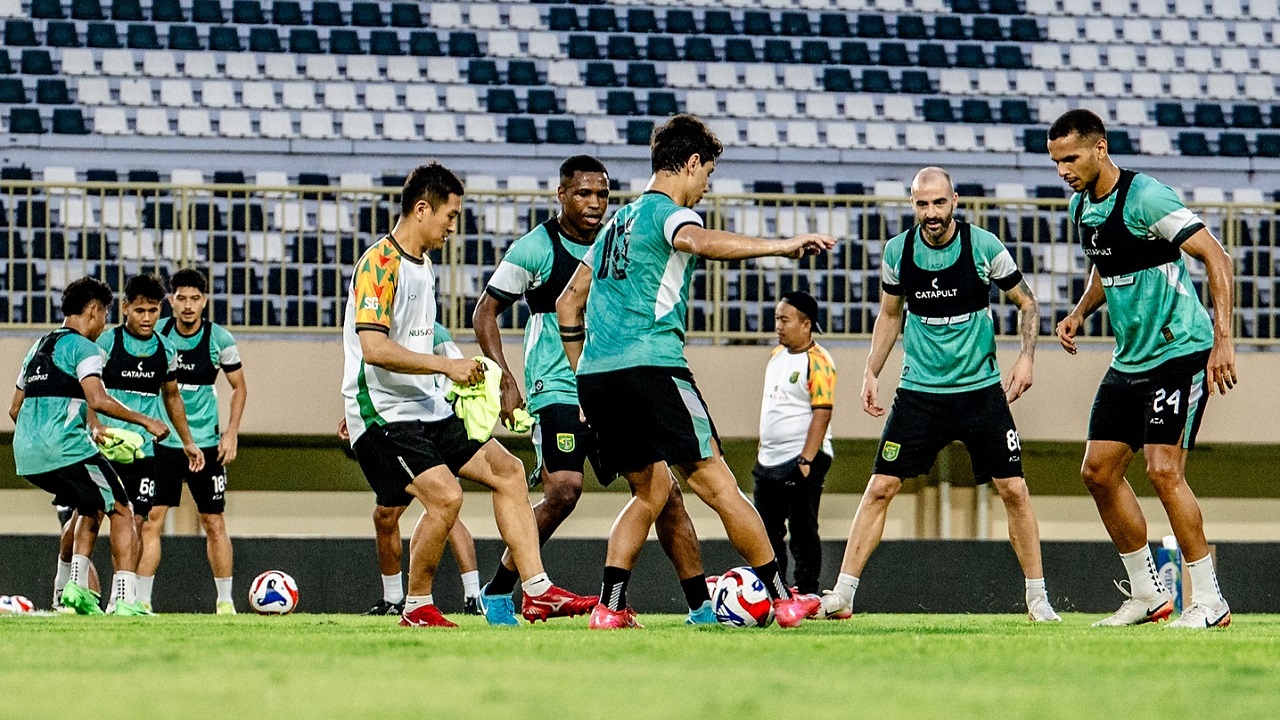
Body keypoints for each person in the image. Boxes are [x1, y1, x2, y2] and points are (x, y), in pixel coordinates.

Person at [556, 114, 835, 629]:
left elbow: (568, 304)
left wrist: (585, 376)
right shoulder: (666, 213)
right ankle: (780, 598)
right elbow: (700, 243)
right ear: (689, 164)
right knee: (719, 485)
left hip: (598, 378)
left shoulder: (615, 223)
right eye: (706, 173)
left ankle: (608, 608)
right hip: (653, 369)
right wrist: (783, 245)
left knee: (649, 493)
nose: (706, 186)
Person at [342, 162, 595, 628]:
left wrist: (471, 370)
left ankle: (537, 591)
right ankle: (417, 606)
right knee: (446, 497)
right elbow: (374, 348)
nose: (454, 226)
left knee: (509, 471)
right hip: (383, 415)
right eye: (450, 215)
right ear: (422, 209)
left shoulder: (422, 266)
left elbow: (423, 333)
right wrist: (447, 367)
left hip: (426, 407)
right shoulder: (379, 264)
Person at [473, 155, 715, 626]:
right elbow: (486, 311)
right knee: (564, 490)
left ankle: (700, 606)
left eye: (602, 194)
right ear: (561, 195)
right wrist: (503, 377)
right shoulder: (534, 248)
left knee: (665, 493)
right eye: (583, 193)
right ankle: (502, 589)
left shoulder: (614, 242)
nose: (595, 203)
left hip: (608, 384)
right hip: (557, 387)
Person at [819, 167, 1061, 623]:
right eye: (921, 204)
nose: (931, 213)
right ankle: (844, 594)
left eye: (938, 203)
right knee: (880, 488)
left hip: (980, 392)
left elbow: (1028, 302)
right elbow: (889, 315)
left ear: (955, 201)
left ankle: (1037, 600)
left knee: (1014, 490)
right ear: (913, 205)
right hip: (919, 394)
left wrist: (1027, 357)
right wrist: (871, 370)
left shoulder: (983, 246)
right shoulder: (898, 251)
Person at [1048, 109, 1236, 628]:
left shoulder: (1147, 197)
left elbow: (1216, 258)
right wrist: (1081, 311)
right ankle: (1147, 595)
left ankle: (1211, 601)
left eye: (1071, 157)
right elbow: (1106, 264)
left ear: (1100, 148)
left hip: (1180, 351)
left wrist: (1223, 340)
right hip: (1130, 359)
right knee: (1099, 472)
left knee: (1162, 470)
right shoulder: (1081, 206)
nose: (1063, 169)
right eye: (1056, 161)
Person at [9, 277, 170, 616]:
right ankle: (126, 600)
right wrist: (147, 421)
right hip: (64, 448)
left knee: (89, 507)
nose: (103, 324)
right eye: (105, 315)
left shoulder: (38, 346)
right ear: (95, 311)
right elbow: (97, 399)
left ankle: (68, 592)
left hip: (26, 453)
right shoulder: (85, 348)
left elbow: (13, 409)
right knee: (123, 508)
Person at [338, 322, 483, 617]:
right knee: (386, 515)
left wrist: (445, 418)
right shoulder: (387, 332)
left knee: (446, 506)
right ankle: (394, 599)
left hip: (432, 427)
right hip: (402, 426)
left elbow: (455, 375)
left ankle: (472, 594)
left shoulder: (433, 332)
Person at [83, 274, 205, 612]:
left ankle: (122, 598)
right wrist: (93, 425)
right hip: (106, 447)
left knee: (138, 521)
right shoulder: (107, 344)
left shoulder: (166, 348)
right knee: (93, 515)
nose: (147, 317)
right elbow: (86, 391)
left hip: (144, 451)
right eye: (140, 310)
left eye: (153, 310)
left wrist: (188, 441)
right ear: (125, 309)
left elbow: (172, 396)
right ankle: (75, 590)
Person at [141, 268, 248, 614]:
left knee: (214, 521)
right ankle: (141, 601)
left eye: (195, 299)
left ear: (204, 301)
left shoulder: (219, 340)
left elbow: (239, 388)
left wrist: (230, 432)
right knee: (151, 519)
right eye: (181, 298)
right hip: (164, 444)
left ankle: (225, 602)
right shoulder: (158, 334)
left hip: (206, 444)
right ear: (171, 300)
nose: (188, 306)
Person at [752, 291, 836, 597]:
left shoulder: (819, 361)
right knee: (765, 532)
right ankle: (774, 591)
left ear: (805, 324)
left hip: (800, 460)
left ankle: (808, 590)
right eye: (776, 318)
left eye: (784, 319)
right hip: (768, 461)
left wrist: (806, 460)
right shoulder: (775, 357)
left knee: (802, 531)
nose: (778, 325)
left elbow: (822, 413)